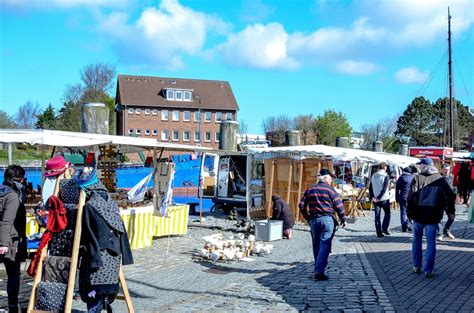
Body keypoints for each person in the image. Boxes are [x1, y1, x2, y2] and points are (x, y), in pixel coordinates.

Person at [408, 157, 455, 278]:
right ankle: (428, 269)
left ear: (425, 166)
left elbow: (411, 198)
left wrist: (409, 214)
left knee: (417, 240)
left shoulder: (418, 178)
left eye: (421, 165)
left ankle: (417, 266)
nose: (419, 167)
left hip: (418, 215)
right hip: (433, 216)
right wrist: (450, 211)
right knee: (431, 243)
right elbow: (450, 196)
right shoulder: (440, 179)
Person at [299, 168, 346, 281]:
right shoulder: (331, 190)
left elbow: (301, 205)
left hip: (314, 220)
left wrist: (307, 218)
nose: (331, 181)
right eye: (330, 178)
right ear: (325, 178)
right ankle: (319, 270)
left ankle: (317, 267)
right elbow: (339, 206)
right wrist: (343, 219)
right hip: (327, 219)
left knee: (316, 245)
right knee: (325, 244)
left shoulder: (310, 189)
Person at [0, 165, 27, 313]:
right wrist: (4, 243)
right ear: (19, 178)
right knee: (13, 274)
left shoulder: (2, 190)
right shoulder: (13, 196)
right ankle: (12, 307)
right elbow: (6, 221)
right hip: (9, 240)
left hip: (5, 237)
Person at [369, 162, 391, 237]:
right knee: (387, 213)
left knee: (377, 216)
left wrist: (373, 197)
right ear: (384, 167)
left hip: (375, 198)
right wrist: (379, 197)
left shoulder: (373, 175)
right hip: (384, 198)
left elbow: (370, 187)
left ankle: (378, 232)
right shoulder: (386, 176)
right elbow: (384, 188)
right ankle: (384, 228)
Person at [437, 163, 456, 241]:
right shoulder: (438, 178)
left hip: (449, 201)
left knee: (451, 217)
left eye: (448, 169)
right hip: (440, 200)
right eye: (445, 169)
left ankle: (446, 230)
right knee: (438, 218)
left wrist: (455, 194)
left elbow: (454, 187)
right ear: (441, 170)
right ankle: (440, 234)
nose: (446, 171)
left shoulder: (452, 177)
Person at [396, 166, 413, 232]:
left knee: (403, 211)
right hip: (411, 197)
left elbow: (397, 189)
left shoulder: (401, 178)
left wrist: (397, 198)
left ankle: (404, 227)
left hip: (402, 197)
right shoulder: (412, 178)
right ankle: (410, 225)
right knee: (410, 211)